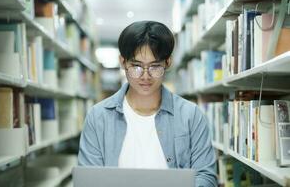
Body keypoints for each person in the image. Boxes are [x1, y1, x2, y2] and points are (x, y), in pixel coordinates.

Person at [78, 20, 217, 187]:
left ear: (168, 62)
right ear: (123, 62)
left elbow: (206, 177)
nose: (145, 76)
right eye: (136, 66)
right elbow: (88, 180)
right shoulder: (98, 117)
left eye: (155, 67)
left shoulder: (191, 115)